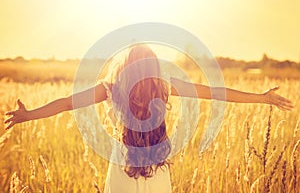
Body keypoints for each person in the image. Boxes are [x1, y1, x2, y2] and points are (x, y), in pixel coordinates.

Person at [4, 45, 294, 193]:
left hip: (122, 165)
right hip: (157, 166)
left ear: (125, 67)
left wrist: (29, 115)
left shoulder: (110, 89)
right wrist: (261, 97)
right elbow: (216, 93)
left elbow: (67, 103)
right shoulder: (164, 86)